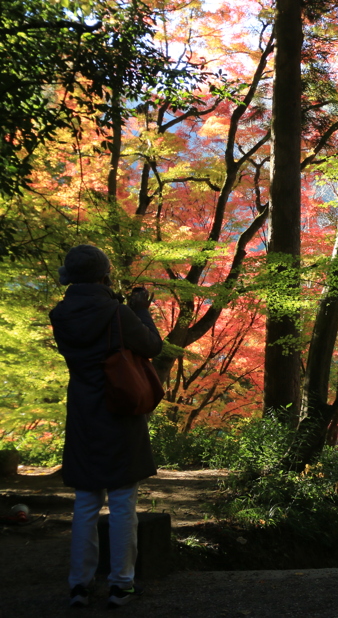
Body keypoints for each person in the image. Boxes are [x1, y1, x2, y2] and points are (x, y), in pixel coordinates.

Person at [50, 245, 163, 608]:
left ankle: (79, 586)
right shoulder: (117, 313)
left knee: (85, 501)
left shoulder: (60, 314)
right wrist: (140, 311)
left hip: (83, 414)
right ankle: (120, 584)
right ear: (104, 275)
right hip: (119, 412)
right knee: (122, 501)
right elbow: (152, 346)